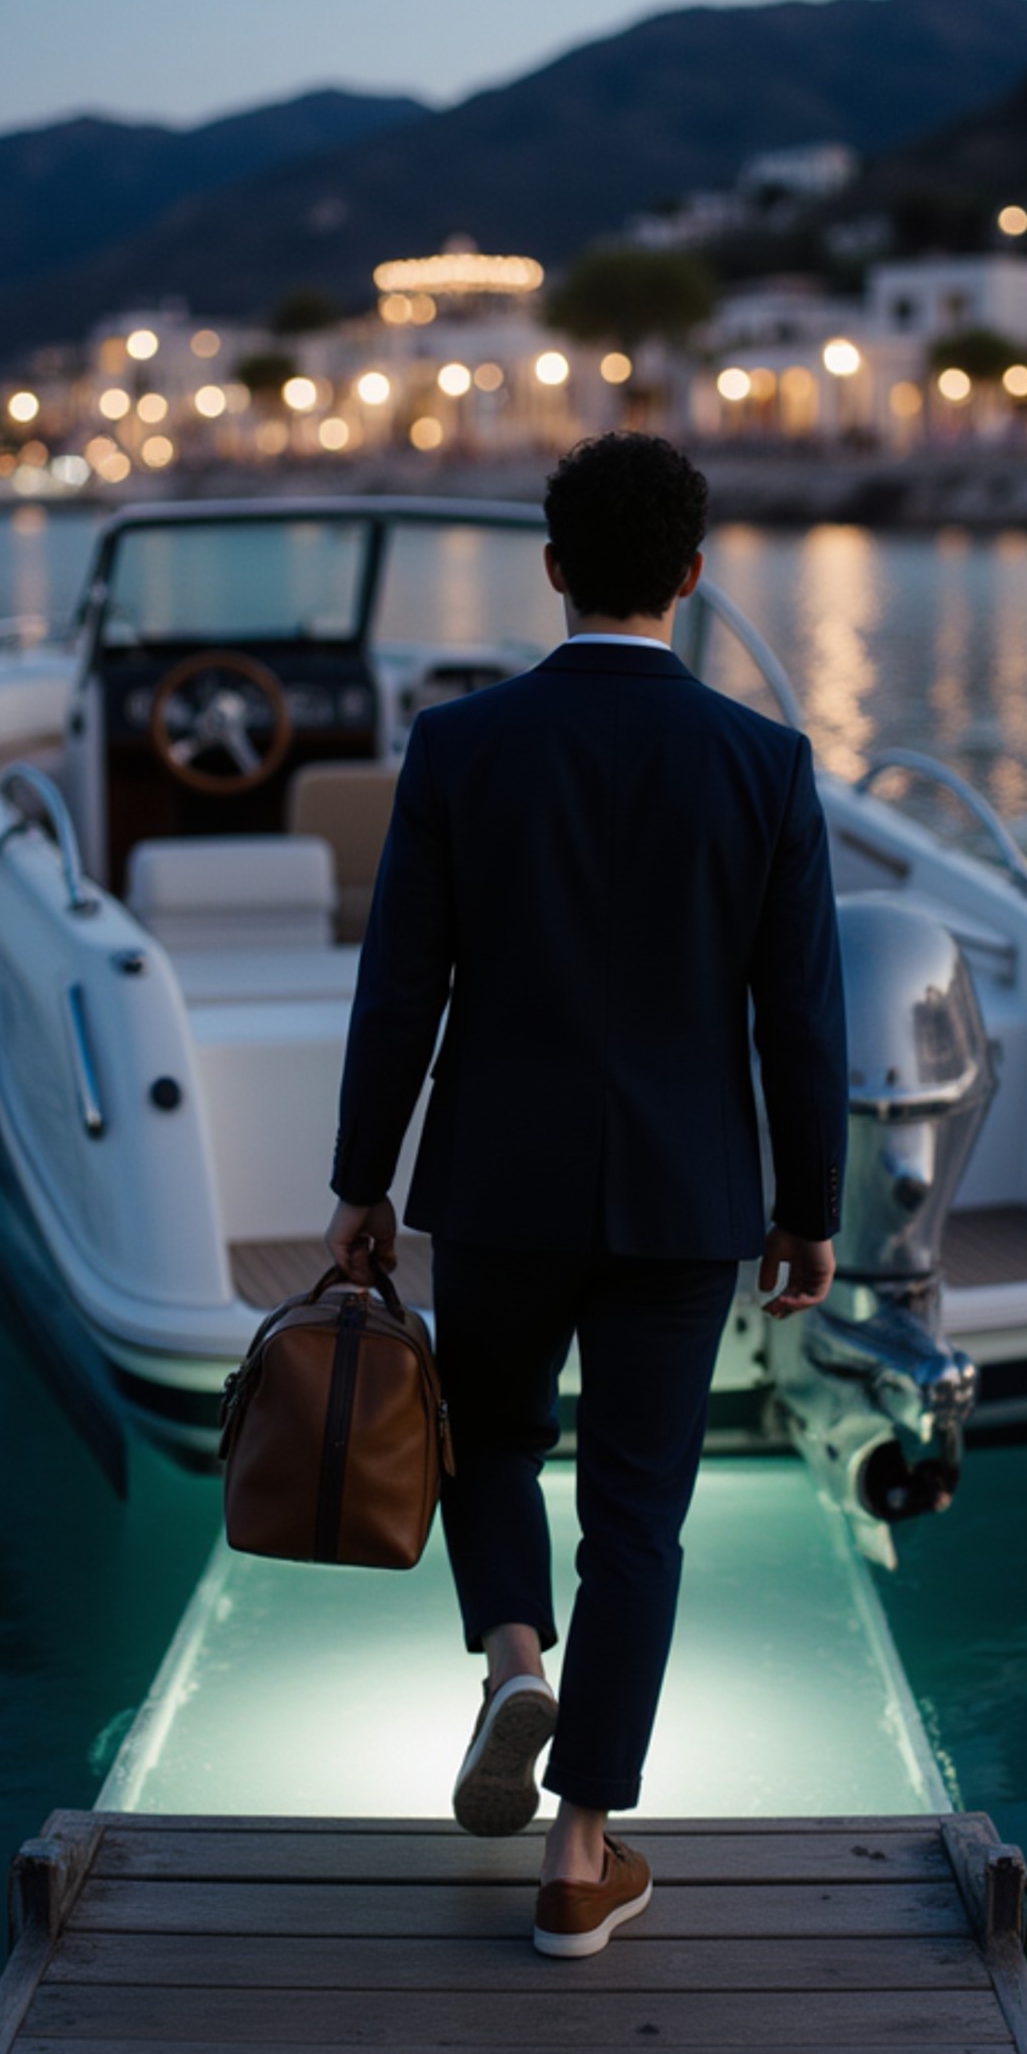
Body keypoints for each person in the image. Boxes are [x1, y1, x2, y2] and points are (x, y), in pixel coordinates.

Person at [325, 433, 846, 1958]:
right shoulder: (764, 763)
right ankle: (578, 1854)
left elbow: (400, 988)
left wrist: (362, 1183)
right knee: (638, 1514)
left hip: (499, 1178)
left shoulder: (460, 746)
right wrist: (809, 1208)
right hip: (686, 1197)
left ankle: (511, 1662)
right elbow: (801, 1019)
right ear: (692, 574)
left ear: (551, 568)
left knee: (487, 1437)